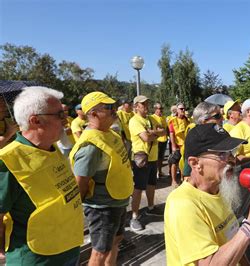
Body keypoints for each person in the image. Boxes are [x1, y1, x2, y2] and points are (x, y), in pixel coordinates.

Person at [164, 123, 250, 265]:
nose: (232, 160)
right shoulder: (182, 204)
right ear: (195, 163)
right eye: (222, 154)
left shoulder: (219, 189)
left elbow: (233, 244)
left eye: (231, 153)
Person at [0, 86, 83, 265]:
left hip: (69, 251)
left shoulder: (52, 149)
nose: (67, 121)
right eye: (60, 115)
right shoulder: (7, 161)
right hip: (37, 260)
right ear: (35, 120)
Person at [70, 92, 133, 265]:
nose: (114, 111)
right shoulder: (90, 146)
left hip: (117, 201)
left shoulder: (110, 134)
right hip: (102, 207)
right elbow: (80, 184)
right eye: (108, 107)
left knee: (116, 241)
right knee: (99, 252)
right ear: (93, 113)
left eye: (113, 106)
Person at [128, 95, 161, 231]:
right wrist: (155, 133)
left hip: (152, 156)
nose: (146, 106)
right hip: (141, 157)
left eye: (147, 104)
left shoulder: (151, 119)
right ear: (136, 106)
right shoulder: (134, 121)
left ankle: (151, 207)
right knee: (138, 187)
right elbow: (146, 138)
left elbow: (163, 130)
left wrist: (152, 132)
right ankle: (134, 216)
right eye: (143, 104)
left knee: (151, 184)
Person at [168, 103, 190, 187]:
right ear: (177, 110)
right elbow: (171, 134)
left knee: (184, 163)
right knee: (175, 162)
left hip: (185, 145)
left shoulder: (187, 120)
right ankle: (173, 180)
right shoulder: (173, 120)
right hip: (177, 145)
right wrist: (173, 146)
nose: (183, 110)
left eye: (184, 108)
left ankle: (182, 179)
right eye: (181, 109)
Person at [151, 102, 169, 177]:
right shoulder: (152, 117)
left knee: (161, 157)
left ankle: (160, 171)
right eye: (159, 108)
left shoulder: (164, 117)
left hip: (164, 140)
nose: (161, 110)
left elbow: (165, 128)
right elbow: (155, 129)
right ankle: (154, 173)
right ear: (155, 109)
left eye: (162, 108)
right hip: (156, 140)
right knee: (155, 158)